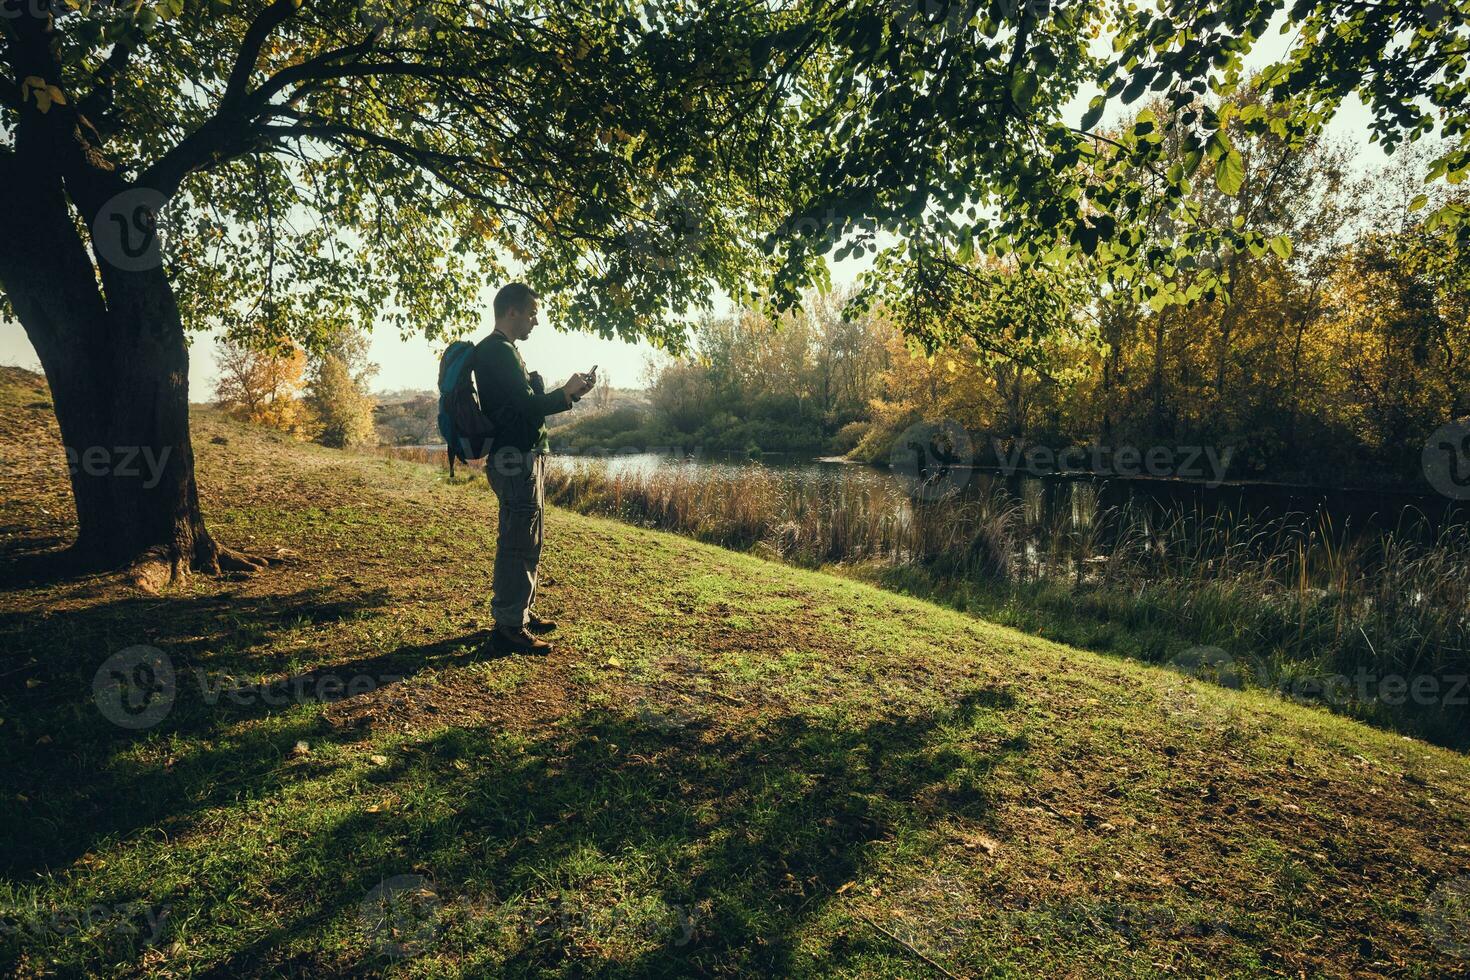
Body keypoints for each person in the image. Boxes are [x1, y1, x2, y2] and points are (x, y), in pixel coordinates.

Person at [472, 283, 595, 653]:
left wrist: (570, 395)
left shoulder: (506, 351)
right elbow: (527, 407)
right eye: (531, 313)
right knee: (517, 541)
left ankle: (519, 612)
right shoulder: (496, 351)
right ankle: (509, 625)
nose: (535, 321)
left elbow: (524, 405)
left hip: (525, 455)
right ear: (512, 312)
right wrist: (566, 392)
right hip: (514, 458)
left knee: (529, 537)